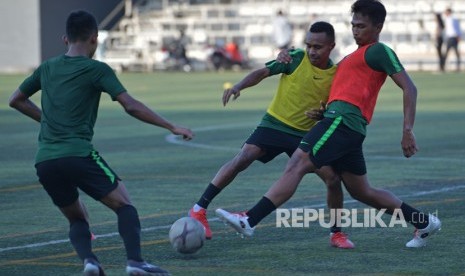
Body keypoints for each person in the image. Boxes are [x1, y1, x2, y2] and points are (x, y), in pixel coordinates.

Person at [216, 0, 441, 249]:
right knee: (362, 191)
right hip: (342, 125)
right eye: (353, 25)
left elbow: (409, 87)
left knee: (298, 163)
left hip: (342, 123)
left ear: (378, 26)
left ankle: (250, 219)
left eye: (362, 26)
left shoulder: (378, 50)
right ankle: (423, 222)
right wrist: (323, 110)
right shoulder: (350, 58)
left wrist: (407, 129)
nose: (356, 31)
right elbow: (349, 91)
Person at [8, 10, 193, 276]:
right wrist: (171, 126)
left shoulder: (47, 67)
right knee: (125, 205)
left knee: (76, 217)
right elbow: (130, 106)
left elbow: (16, 100)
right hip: (78, 154)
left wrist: (48, 122)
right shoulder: (97, 69)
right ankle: (135, 263)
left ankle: (90, 263)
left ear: (65, 39)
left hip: (45, 160)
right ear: (95, 39)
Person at [189, 21, 355, 249]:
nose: (312, 51)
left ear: (331, 47)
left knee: (333, 179)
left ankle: (337, 233)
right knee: (244, 157)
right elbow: (263, 72)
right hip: (275, 123)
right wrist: (239, 86)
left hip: (305, 134)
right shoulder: (295, 58)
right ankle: (199, 209)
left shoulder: (336, 75)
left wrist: (323, 113)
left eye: (318, 47)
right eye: (309, 45)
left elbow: (333, 107)